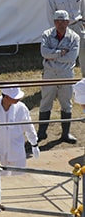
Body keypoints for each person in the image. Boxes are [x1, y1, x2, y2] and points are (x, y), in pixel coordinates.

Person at [38, 10, 80, 144]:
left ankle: (65, 134)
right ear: (54, 22)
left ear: (68, 22)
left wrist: (53, 56)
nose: (60, 24)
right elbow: (44, 53)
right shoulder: (46, 34)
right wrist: (61, 53)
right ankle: (41, 132)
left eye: (63, 21)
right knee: (46, 102)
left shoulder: (74, 37)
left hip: (66, 74)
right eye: (57, 21)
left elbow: (71, 57)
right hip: (50, 74)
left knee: (66, 103)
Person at [0, 87, 39, 174]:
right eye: (15, 97)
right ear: (6, 97)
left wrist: (34, 144)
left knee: (19, 177)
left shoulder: (21, 108)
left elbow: (29, 127)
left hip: (16, 150)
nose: (18, 99)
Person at [47, 0, 85, 72]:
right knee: (65, 55)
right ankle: (64, 79)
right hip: (63, 28)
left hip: (78, 24)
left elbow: (83, 6)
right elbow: (50, 13)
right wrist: (55, 32)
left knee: (83, 51)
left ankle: (84, 80)